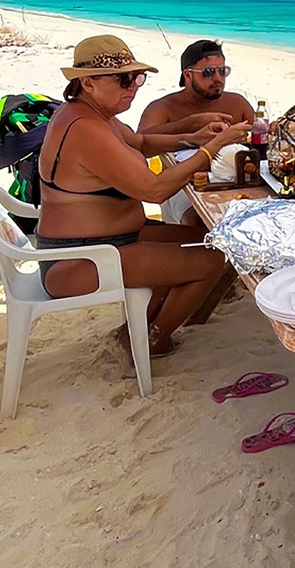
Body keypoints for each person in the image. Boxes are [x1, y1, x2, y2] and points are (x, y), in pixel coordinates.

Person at [35, 35, 250, 356]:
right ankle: (154, 340)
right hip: (78, 260)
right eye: (123, 79)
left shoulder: (92, 114)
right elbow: (155, 189)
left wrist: (192, 137)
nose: (133, 86)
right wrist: (211, 148)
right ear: (88, 83)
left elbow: (141, 144)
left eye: (137, 78)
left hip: (109, 240)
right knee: (213, 259)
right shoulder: (84, 128)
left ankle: (137, 329)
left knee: (205, 237)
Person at [138, 40, 255, 224]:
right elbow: (141, 142)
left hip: (236, 181)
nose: (218, 78)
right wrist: (189, 124)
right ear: (187, 75)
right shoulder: (163, 108)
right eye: (208, 72)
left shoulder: (237, 104)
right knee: (198, 220)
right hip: (182, 185)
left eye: (222, 71)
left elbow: (259, 139)